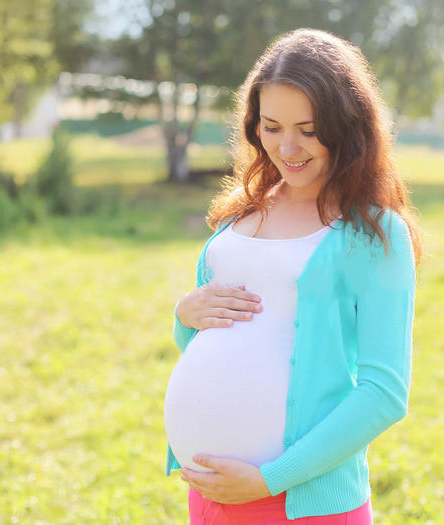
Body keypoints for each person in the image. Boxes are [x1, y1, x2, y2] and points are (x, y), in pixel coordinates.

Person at [165, 28, 423, 524]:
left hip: (301, 506)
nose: (288, 147)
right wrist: (185, 315)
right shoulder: (237, 216)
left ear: (348, 126)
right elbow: (207, 343)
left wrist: (270, 479)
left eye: (308, 129)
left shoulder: (373, 234)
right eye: (271, 126)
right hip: (211, 497)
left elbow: (384, 393)